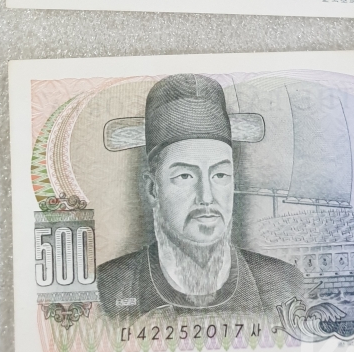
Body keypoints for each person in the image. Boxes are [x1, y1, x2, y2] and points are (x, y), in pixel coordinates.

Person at [96, 74, 305, 317]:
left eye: (220, 175)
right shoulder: (107, 289)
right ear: (153, 189)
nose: (206, 197)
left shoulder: (283, 286)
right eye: (185, 176)